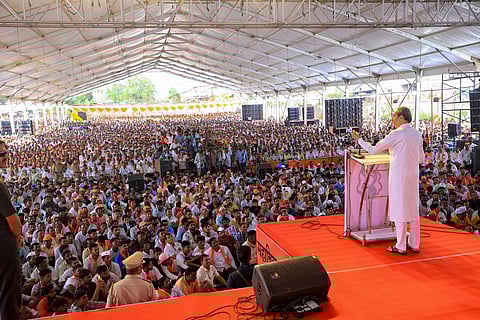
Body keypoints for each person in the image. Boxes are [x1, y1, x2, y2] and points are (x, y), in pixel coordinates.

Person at [352, 107, 424, 255]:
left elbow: (373, 150)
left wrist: (359, 139)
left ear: (402, 117)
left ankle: (401, 246)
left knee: (399, 209)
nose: (392, 120)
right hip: (412, 176)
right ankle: (414, 244)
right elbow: (421, 159)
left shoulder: (396, 134)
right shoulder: (417, 134)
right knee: (412, 209)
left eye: (394, 116)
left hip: (399, 176)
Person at [0, 140, 22, 320]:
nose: (5, 157)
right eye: (1, 154)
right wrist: (18, 235)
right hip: (4, 249)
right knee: (9, 296)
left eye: (6, 152)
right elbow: (13, 221)